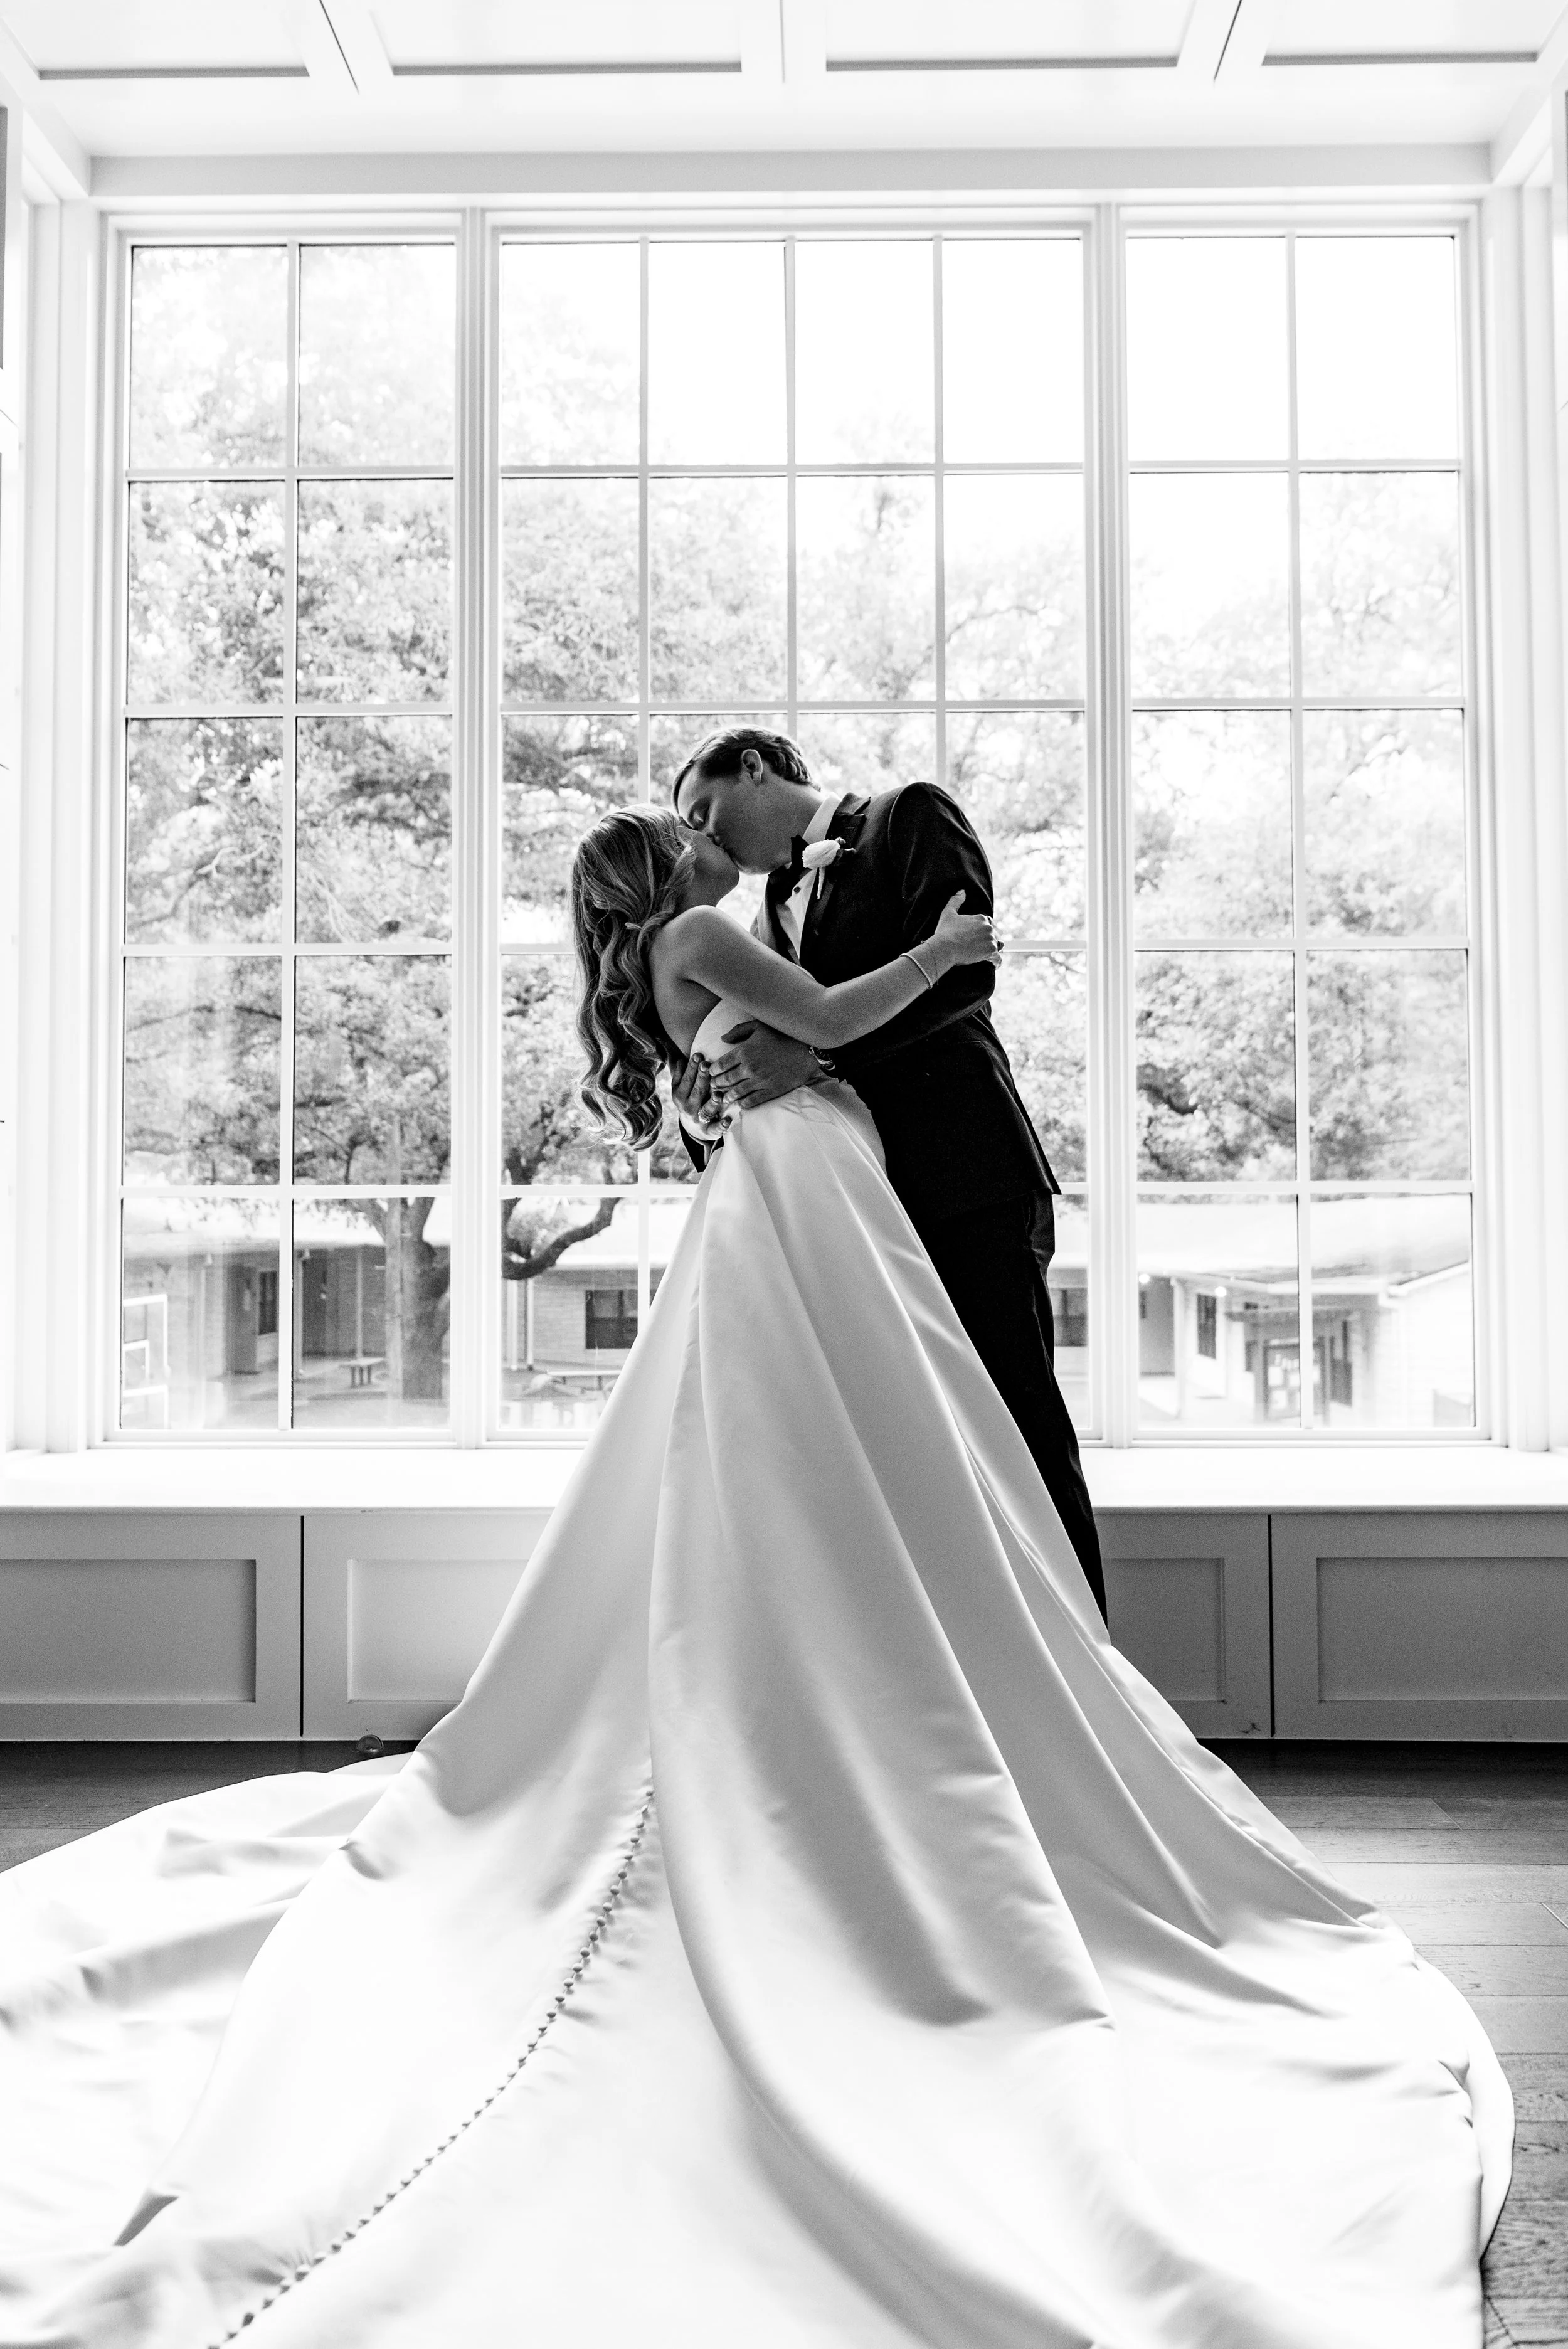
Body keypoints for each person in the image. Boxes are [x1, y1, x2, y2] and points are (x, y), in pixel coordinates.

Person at [0, 808, 1510, 2348]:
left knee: (807, 1453)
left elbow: (775, 1058)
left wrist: (789, 1057)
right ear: (658, 873)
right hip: (805, 1198)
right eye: (684, 833)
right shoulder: (700, 940)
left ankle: (799, 1696)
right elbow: (840, 1018)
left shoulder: (666, 962)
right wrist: (946, 950)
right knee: (835, 1445)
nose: (707, 843)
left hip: (786, 1191)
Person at [670, 728, 1108, 1623]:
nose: (705, 839)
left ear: (754, 766)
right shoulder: (770, 906)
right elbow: (765, 1030)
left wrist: (818, 1055)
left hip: (967, 1177)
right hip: (861, 1207)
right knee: (914, 1451)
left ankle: (1094, 1680)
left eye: (706, 811)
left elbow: (967, 975)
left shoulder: (909, 815)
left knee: (1019, 1426)